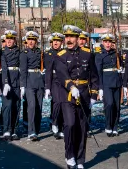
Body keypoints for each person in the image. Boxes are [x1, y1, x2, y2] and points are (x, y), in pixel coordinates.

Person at [52, 25, 97, 169]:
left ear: (78, 39)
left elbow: (94, 75)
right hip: (68, 95)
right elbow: (62, 74)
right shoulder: (60, 56)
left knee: (82, 128)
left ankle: (80, 159)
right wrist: (71, 86)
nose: (68, 40)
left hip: (84, 94)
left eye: (71, 37)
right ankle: (70, 156)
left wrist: (94, 94)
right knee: (70, 125)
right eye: (67, 37)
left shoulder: (88, 54)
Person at [94, 34, 123, 137]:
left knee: (117, 106)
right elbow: (98, 72)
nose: (108, 44)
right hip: (106, 83)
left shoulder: (116, 54)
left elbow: (121, 66)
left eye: (109, 42)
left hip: (117, 82)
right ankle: (108, 125)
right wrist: (100, 88)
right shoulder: (99, 55)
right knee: (109, 104)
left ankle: (115, 127)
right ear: (103, 43)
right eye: (106, 42)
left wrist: (121, 71)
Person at [19, 31, 44, 141]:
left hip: (39, 80)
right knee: (32, 106)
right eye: (29, 39)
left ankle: (36, 130)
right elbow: (23, 70)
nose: (31, 42)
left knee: (39, 106)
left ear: (36, 41)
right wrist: (22, 85)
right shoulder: (24, 53)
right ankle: (31, 131)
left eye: (33, 40)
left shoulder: (40, 52)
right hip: (29, 81)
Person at [0, 30, 22, 140]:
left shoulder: (19, 52)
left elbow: (22, 68)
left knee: (16, 106)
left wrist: (22, 85)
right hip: (7, 80)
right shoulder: (3, 52)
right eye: (7, 39)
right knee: (7, 106)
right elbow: (4, 68)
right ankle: (6, 129)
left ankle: (14, 130)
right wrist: (6, 82)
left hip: (17, 80)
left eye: (11, 39)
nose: (8, 41)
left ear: (14, 40)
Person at [45, 33, 65, 140]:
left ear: (62, 42)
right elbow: (48, 71)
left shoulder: (65, 53)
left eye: (58, 41)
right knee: (57, 102)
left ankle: (61, 127)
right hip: (54, 81)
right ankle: (54, 122)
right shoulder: (49, 54)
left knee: (63, 104)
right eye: (54, 41)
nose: (56, 43)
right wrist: (47, 87)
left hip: (64, 81)